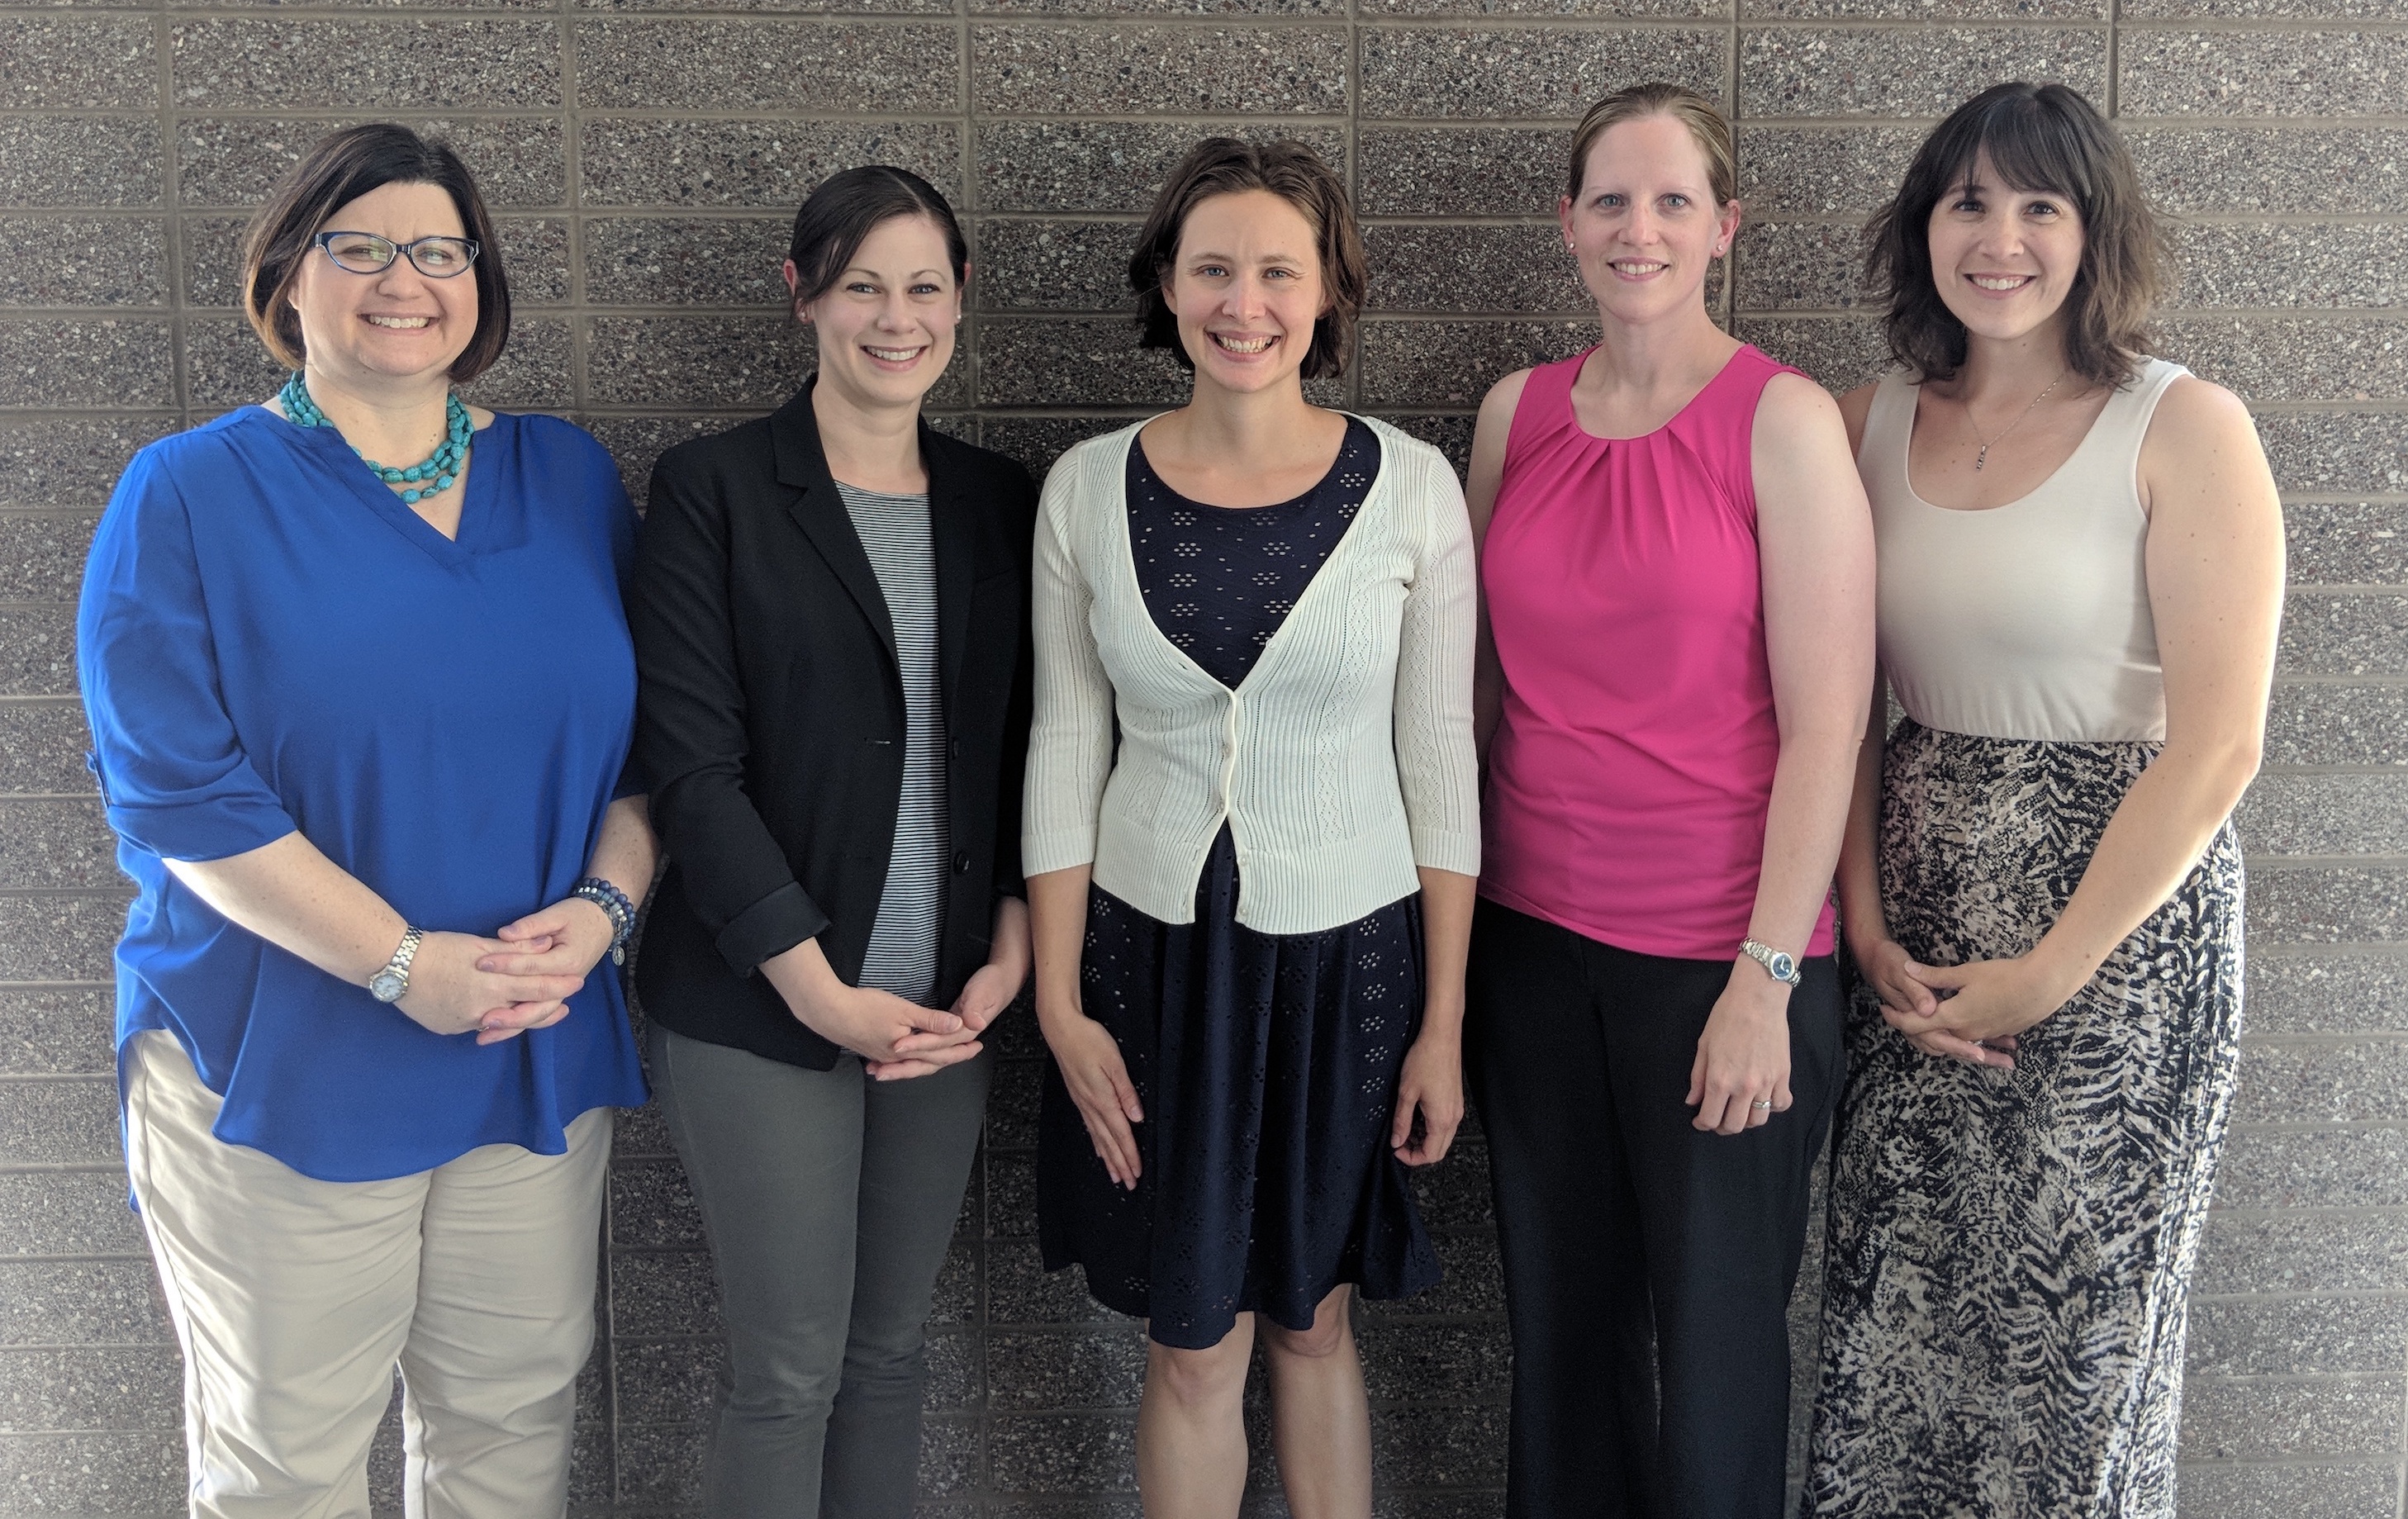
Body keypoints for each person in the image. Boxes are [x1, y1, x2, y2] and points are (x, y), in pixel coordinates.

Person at [76, 124, 653, 1517]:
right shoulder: (188, 493)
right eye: (362, 246)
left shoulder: (568, 479)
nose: (407, 279)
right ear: (290, 277)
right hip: (285, 1055)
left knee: (511, 1438)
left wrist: (602, 916)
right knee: (288, 1465)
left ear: (481, 280)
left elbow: (650, 754)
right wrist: (407, 964)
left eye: (440, 249)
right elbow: (179, 794)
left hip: (528, 1040)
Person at [1802, 82, 2284, 1518]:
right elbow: (1834, 712)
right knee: (1896, 1338)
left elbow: (2218, 748)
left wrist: (2048, 972)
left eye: (2039, 207)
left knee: (2076, 1352)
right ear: (1922, 227)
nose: (1998, 239)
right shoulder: (1861, 423)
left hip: (2120, 952)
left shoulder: (2183, 425)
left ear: (2093, 233)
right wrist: (1863, 928)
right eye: (1968, 202)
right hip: (1909, 941)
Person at [1023, 137, 1479, 1517]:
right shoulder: (1085, 491)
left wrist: (1445, 1023)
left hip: (1350, 965)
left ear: (1327, 292)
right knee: (1188, 1343)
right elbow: (1062, 744)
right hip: (1150, 968)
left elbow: (1442, 756)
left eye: (1279, 270)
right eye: (1212, 267)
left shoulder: (1412, 488)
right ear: (1165, 286)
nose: (1244, 302)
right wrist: (1056, 1003)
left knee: (1315, 1322)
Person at [1460, 83, 1877, 1518]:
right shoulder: (1516, 413)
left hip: (1721, 962)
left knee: (1712, 1360)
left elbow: (1830, 729)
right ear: (1567, 224)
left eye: (1674, 202)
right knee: (1560, 1342)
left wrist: (1768, 975)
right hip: (1529, 949)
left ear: (1723, 229)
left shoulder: (1786, 422)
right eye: (1612, 201)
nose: (1639, 229)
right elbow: (1474, 698)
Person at [625, 165, 1035, 1518]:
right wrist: (818, 988)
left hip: (943, 1009)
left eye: (923, 287)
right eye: (862, 284)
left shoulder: (1000, 502)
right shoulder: (715, 491)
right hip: (766, 1007)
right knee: (788, 1369)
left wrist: (1011, 956)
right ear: (801, 296)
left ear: (962, 301)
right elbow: (692, 771)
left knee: (891, 1353)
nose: (894, 317)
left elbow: (1036, 744)